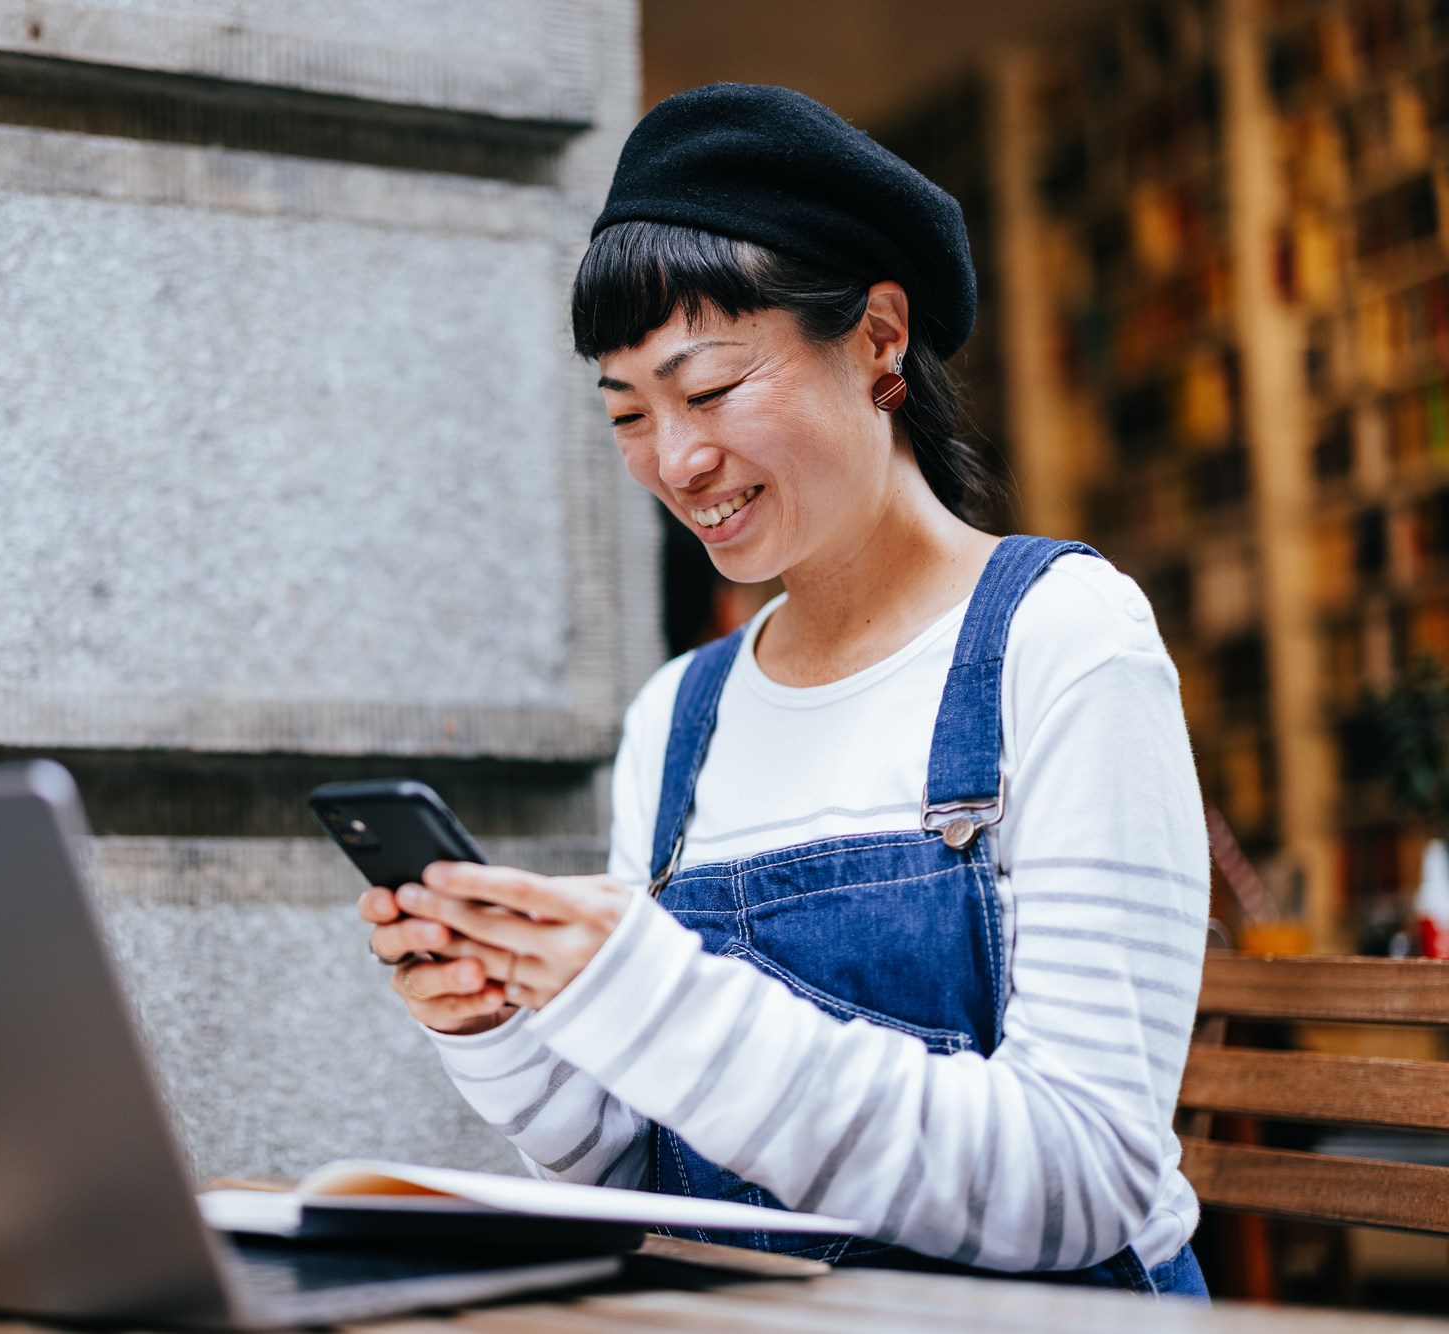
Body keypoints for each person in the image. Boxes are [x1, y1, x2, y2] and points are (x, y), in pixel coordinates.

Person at [358, 83, 1210, 1298]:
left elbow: (1078, 1179)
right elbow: (631, 1152)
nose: (675, 459)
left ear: (875, 339)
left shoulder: (1060, 637)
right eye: (627, 412)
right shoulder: (678, 714)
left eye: (706, 390)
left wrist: (648, 994)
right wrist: (490, 1021)